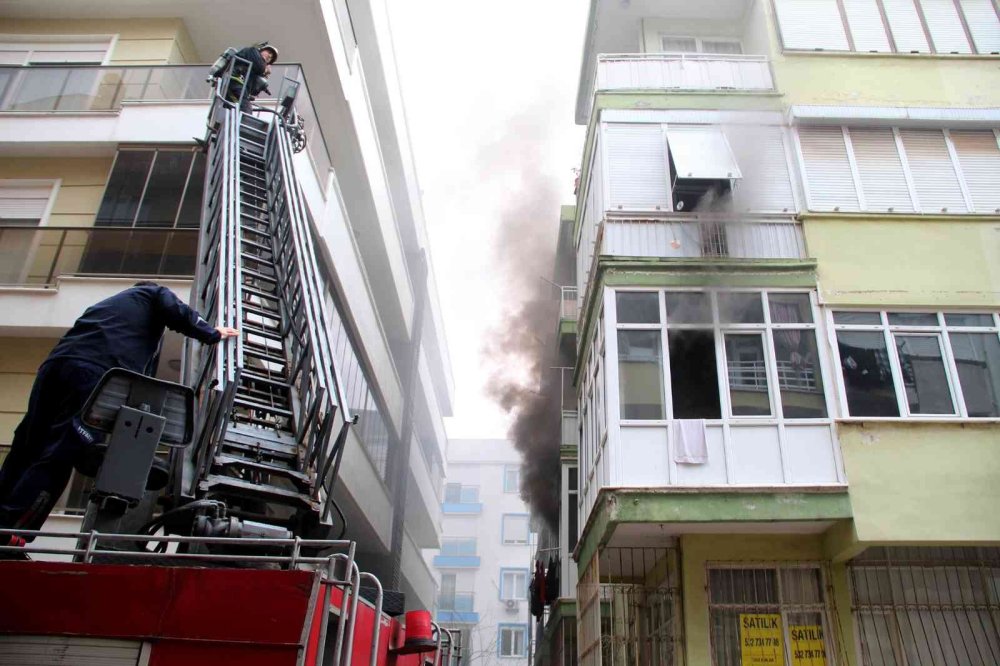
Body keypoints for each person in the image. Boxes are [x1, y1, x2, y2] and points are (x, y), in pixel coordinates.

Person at [0, 282, 238, 547]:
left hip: (56, 367)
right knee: (61, 452)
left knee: (27, 445)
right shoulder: (152, 293)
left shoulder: (106, 308)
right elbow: (173, 308)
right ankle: (13, 529)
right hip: (94, 374)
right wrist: (210, 332)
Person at [226, 43, 279, 111]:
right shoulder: (252, 51)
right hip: (234, 83)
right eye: (269, 52)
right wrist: (264, 70)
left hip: (238, 86)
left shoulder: (254, 66)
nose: (269, 56)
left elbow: (253, 91)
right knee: (246, 110)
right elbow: (260, 67)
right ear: (261, 50)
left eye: (271, 58)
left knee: (242, 109)